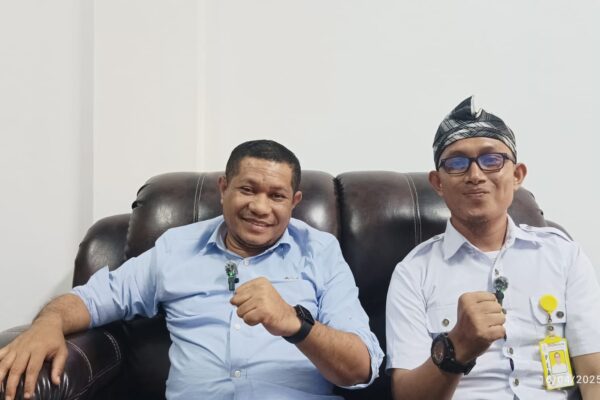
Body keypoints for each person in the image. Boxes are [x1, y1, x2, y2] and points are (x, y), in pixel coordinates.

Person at [0, 140, 383, 400]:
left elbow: (361, 366)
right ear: (223, 188)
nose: (260, 207)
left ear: (294, 202)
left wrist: (295, 324)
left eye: (276, 196)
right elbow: (94, 299)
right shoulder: (177, 248)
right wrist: (47, 324)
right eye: (248, 189)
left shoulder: (320, 252)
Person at [386, 97, 600, 399]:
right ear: (438, 183)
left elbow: (594, 375)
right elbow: (406, 396)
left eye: (492, 160)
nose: (475, 175)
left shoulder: (564, 256)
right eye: (457, 164)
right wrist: (456, 348)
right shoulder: (413, 273)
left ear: (517, 175)